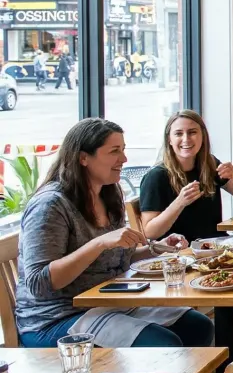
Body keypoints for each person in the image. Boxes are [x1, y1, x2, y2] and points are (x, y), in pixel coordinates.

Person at [15, 118, 214, 349]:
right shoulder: (50, 205)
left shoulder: (109, 193)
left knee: (198, 327)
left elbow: (120, 258)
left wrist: (154, 248)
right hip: (55, 319)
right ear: (83, 158)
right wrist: (99, 243)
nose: (124, 159)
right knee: (164, 344)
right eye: (114, 151)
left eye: (123, 149)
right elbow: (39, 283)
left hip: (108, 302)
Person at [138, 110, 233, 242]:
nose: (186, 139)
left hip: (214, 245)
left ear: (203, 136)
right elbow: (150, 232)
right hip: (178, 252)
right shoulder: (156, 176)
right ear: (169, 139)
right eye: (178, 134)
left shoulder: (209, 164)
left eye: (192, 132)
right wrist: (179, 203)